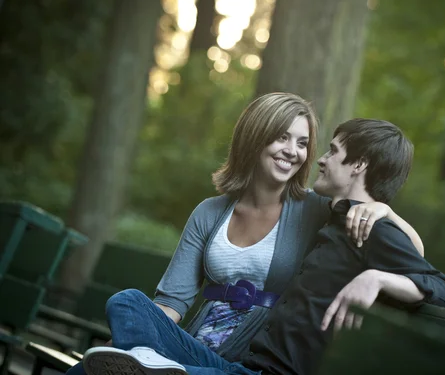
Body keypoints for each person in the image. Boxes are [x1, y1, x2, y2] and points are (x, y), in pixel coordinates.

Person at [66, 94, 424, 375]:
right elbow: (171, 302)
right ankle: (144, 365)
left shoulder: (317, 209)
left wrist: (385, 210)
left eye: (302, 143)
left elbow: (413, 252)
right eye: (282, 137)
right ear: (255, 138)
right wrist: (132, 338)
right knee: (125, 304)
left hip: (252, 357)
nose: (293, 152)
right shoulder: (209, 212)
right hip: (190, 345)